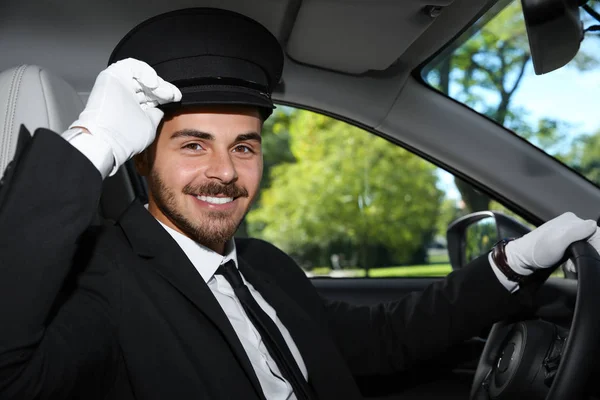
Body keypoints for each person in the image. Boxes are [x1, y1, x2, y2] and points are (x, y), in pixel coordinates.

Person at [0, 7, 598, 400]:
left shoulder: (263, 265)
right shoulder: (103, 282)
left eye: (244, 146)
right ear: (140, 156)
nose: (224, 172)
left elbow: (389, 339)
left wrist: (515, 262)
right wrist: (88, 143)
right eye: (192, 144)